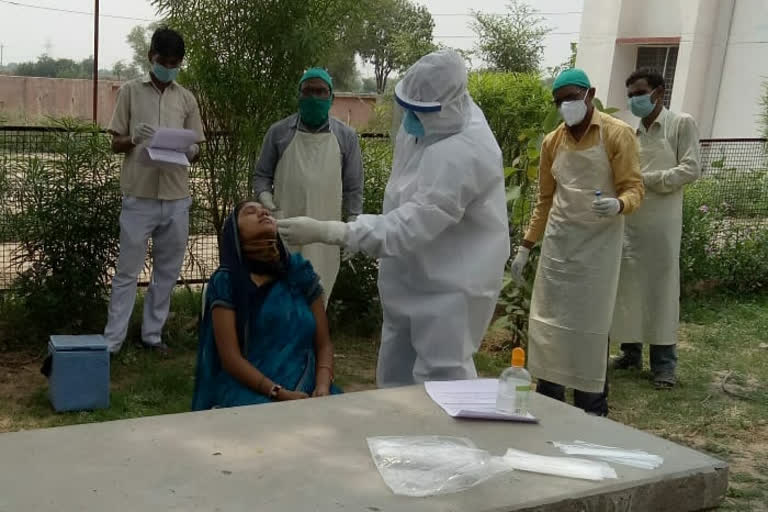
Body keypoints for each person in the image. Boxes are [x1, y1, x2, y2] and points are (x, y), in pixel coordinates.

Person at [277, 50, 509, 388]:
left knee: (441, 382)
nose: (409, 118)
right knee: (395, 376)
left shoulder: (465, 150)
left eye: (419, 111)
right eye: (408, 107)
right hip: (407, 273)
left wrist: (331, 230)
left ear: (445, 107)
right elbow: (403, 197)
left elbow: (413, 224)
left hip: (452, 286)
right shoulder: (428, 125)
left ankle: (445, 441)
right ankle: (396, 439)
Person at [510, 68, 644, 416]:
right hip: (558, 248)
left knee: (591, 328)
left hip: (598, 250)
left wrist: (618, 204)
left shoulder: (618, 134)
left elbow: (634, 187)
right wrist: (526, 246)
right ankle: (549, 406)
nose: (566, 105)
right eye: (559, 101)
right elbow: (545, 199)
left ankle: (591, 411)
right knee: (549, 327)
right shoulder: (553, 141)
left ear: (590, 93)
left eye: (571, 97)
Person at [104, 27, 205, 354]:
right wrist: (133, 138)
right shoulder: (130, 92)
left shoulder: (186, 98)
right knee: (126, 272)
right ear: (151, 57)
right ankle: (112, 342)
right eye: (165, 61)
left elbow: (197, 145)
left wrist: (190, 151)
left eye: (176, 63)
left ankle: (152, 336)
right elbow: (115, 142)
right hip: (139, 195)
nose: (170, 67)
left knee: (166, 271)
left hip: (176, 197)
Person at [192, 201, 341, 410]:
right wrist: (278, 393)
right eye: (250, 212)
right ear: (235, 233)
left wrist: (323, 385)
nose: (262, 212)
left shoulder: (300, 274)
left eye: (266, 211)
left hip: (310, 388)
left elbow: (323, 344)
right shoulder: (227, 282)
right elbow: (230, 359)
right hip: (251, 391)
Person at [610, 68, 701, 388]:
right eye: (631, 94)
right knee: (629, 286)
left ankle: (664, 365)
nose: (634, 99)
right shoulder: (632, 134)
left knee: (661, 290)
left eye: (639, 92)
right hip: (631, 222)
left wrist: (648, 182)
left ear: (659, 93)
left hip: (662, 223)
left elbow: (690, 168)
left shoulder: (680, 124)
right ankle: (630, 353)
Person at [253, 68, 363, 304]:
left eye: (320, 92)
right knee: (282, 289)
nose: (314, 97)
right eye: (308, 91)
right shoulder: (279, 132)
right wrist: (266, 199)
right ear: (299, 95)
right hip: (285, 225)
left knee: (318, 292)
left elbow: (353, 187)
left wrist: (354, 223)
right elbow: (261, 175)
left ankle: (314, 338)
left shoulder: (346, 137)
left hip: (325, 228)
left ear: (331, 97)